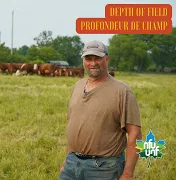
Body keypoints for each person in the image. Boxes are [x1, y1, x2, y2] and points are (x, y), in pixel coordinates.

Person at [59, 40, 142, 180]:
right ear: (83, 60)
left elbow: (135, 134)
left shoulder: (122, 91)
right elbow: (74, 127)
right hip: (72, 164)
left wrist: (128, 174)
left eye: (97, 58)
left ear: (106, 59)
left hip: (104, 168)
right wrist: (67, 160)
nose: (92, 63)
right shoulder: (78, 86)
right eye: (88, 58)